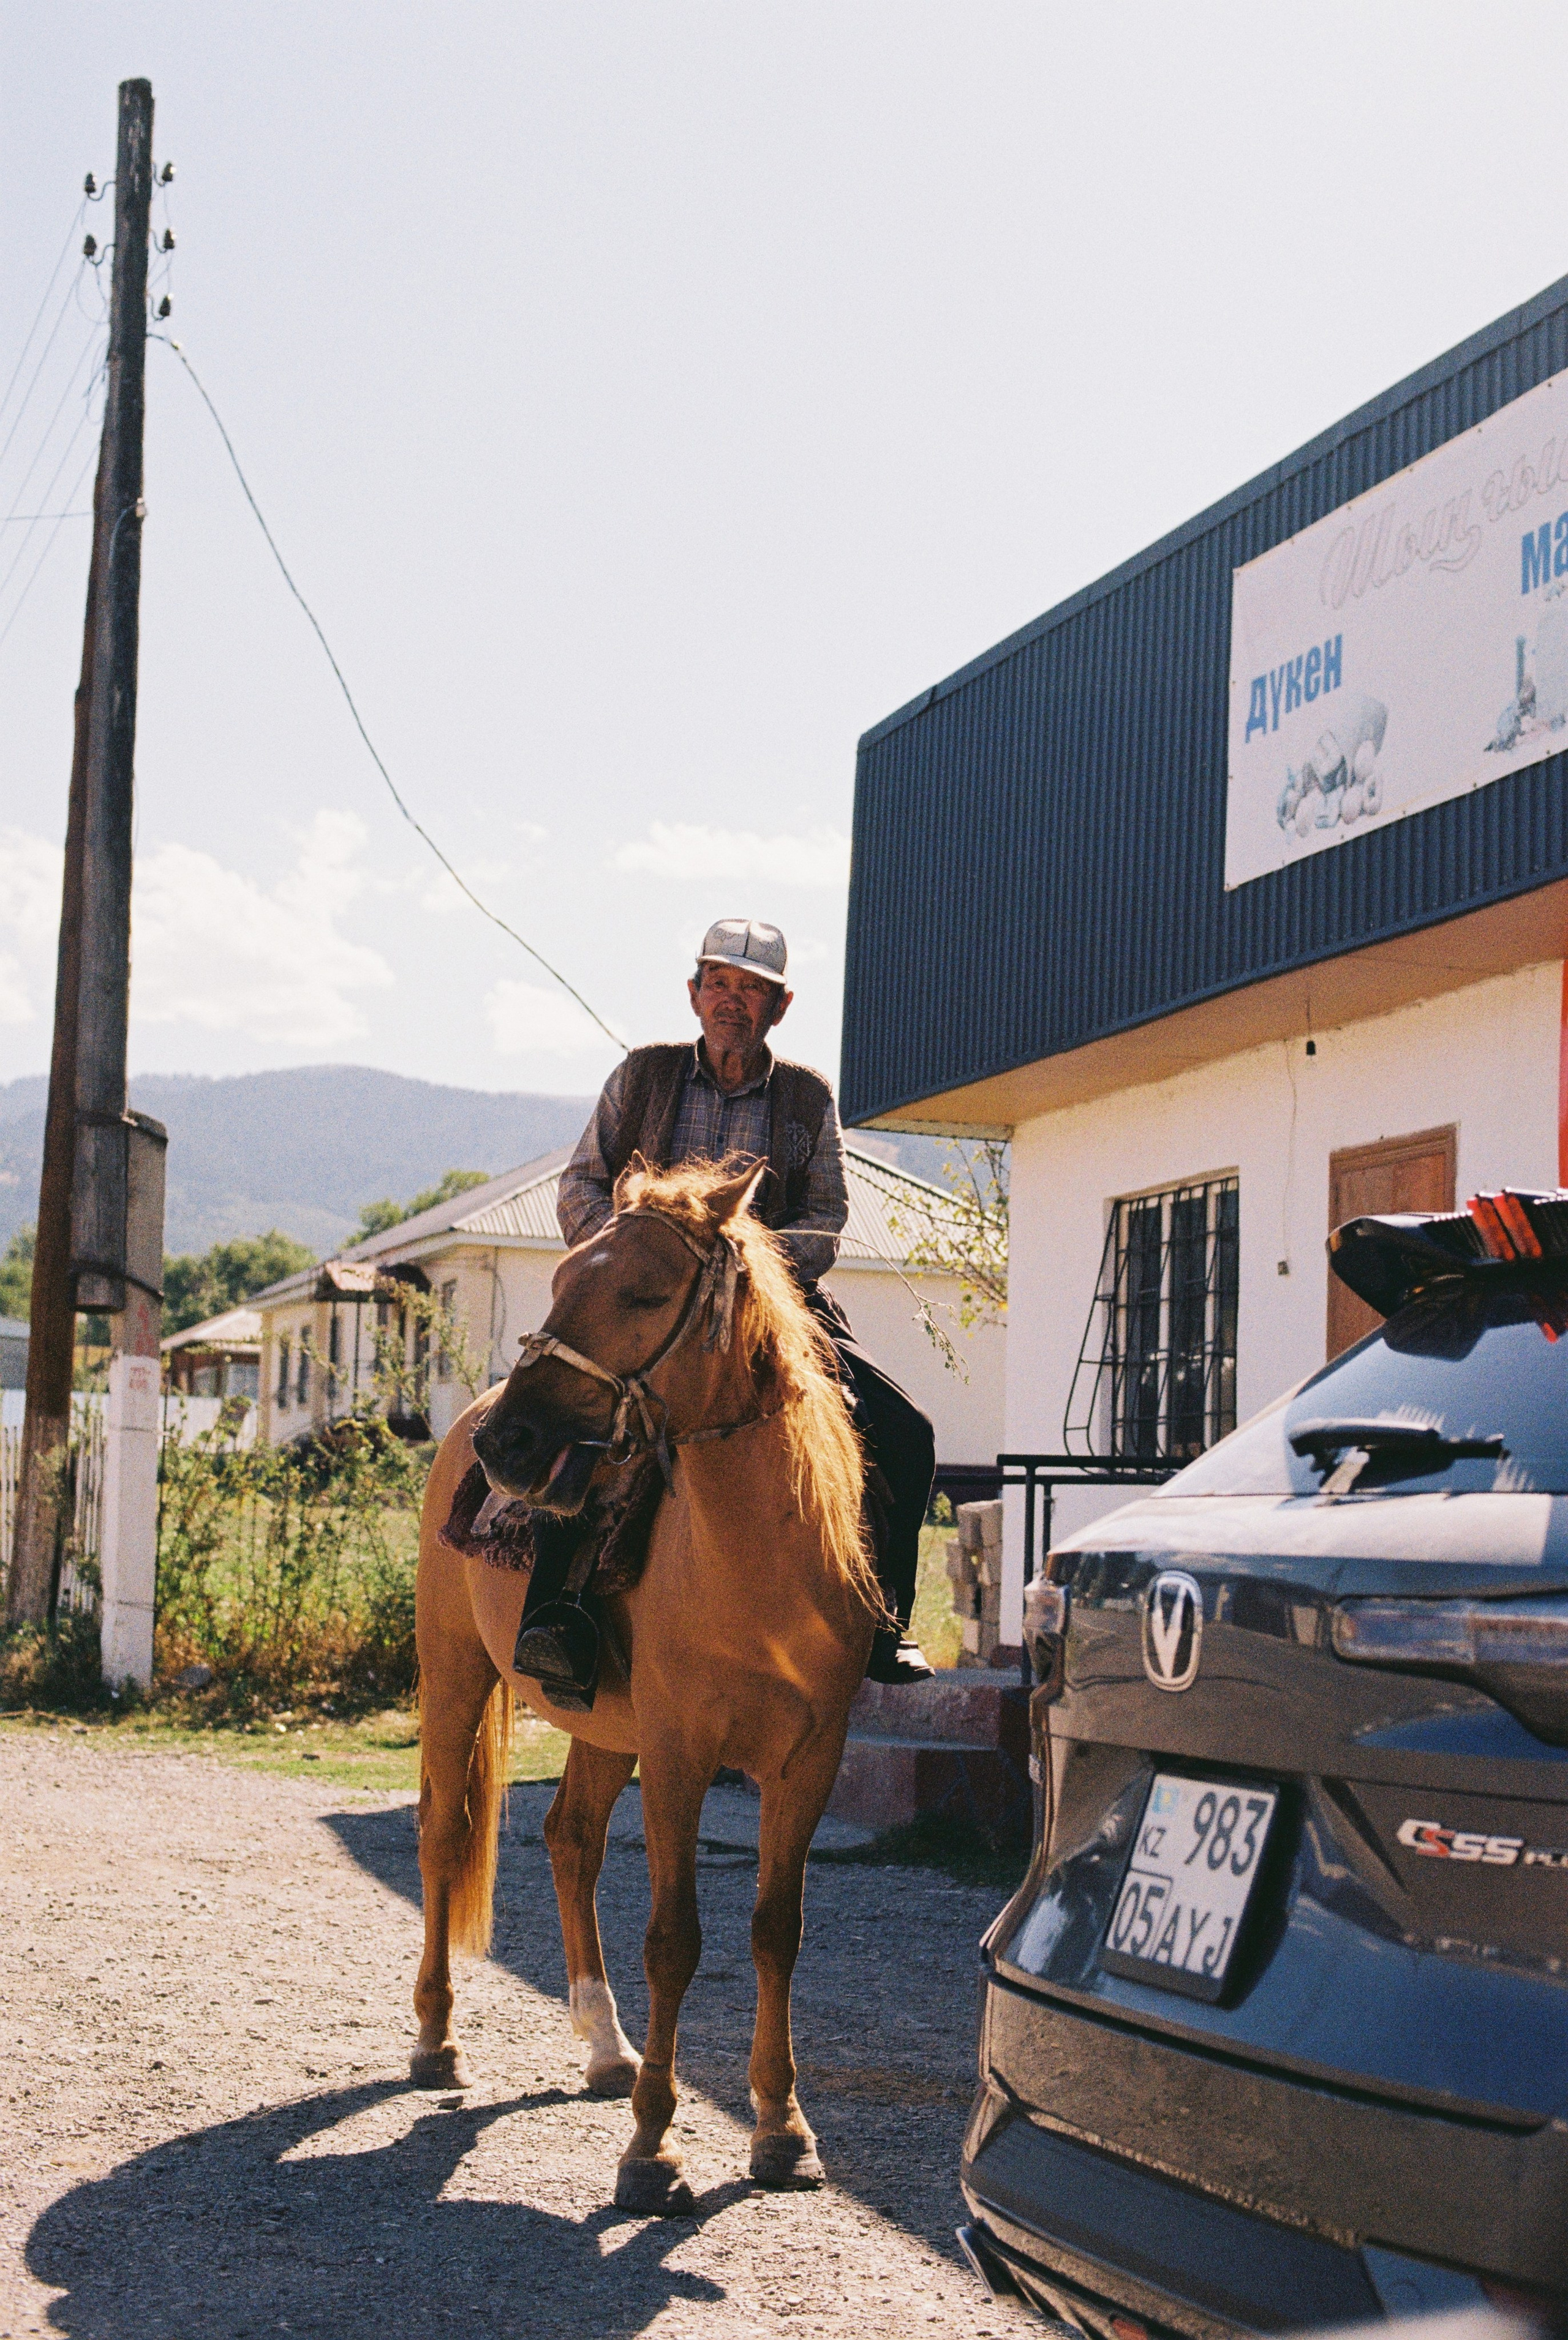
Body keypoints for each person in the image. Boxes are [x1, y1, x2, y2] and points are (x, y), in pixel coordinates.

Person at [512, 916, 936, 1696]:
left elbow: (825, 1214)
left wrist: (750, 1277)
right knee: (566, 1423)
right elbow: (579, 1180)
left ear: (780, 1005)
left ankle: (881, 1623)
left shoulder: (806, 1097)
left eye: (751, 989)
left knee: (906, 1435)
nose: (731, 1001)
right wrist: (632, 1259)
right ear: (692, 993)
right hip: (638, 1303)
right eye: (718, 983)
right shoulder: (642, 1076)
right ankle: (555, 1621)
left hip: (770, 1312)